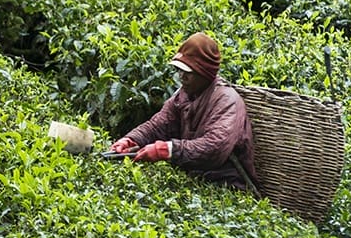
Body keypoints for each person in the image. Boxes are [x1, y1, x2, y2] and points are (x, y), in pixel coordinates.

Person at [109, 32, 258, 192]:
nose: (182, 77)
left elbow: (214, 148)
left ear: (205, 73)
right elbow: (158, 125)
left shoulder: (227, 100)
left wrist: (168, 150)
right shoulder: (184, 94)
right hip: (196, 180)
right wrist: (131, 140)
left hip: (227, 187)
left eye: (188, 72)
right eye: (179, 70)